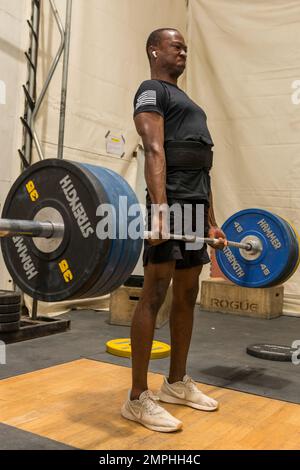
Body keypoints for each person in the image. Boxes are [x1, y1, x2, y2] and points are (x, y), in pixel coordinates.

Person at [121, 28, 226, 433]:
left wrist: (212, 221)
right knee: (155, 293)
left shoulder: (192, 104)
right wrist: (161, 211)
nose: (183, 50)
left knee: (188, 292)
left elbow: (203, 168)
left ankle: (177, 383)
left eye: (185, 45)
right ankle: (136, 398)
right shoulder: (152, 90)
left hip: (195, 206)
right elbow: (154, 148)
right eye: (174, 44)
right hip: (173, 204)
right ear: (154, 49)